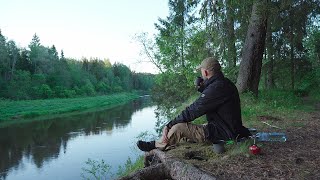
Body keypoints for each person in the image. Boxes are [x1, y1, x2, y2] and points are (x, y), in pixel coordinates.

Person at [137, 57, 251, 152]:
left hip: (224, 133)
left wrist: (169, 124)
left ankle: (158, 145)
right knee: (187, 130)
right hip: (227, 127)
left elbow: (194, 110)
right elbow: (213, 99)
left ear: (206, 72)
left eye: (201, 70)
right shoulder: (224, 83)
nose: (200, 73)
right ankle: (168, 141)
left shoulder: (217, 87)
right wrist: (202, 88)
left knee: (179, 127)